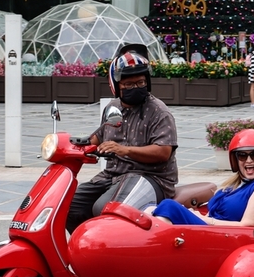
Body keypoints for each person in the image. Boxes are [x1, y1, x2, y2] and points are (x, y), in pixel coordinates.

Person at [65, 44, 179, 233]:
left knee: (105, 209)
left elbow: (163, 152)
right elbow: (99, 136)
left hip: (151, 179)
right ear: (116, 85)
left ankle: (112, 253)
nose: (135, 87)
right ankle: (86, 249)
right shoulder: (113, 107)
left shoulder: (159, 111)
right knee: (69, 204)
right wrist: (72, 145)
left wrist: (124, 150)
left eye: (140, 83)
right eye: (128, 84)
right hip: (113, 176)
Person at [149, 129, 254, 226]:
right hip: (211, 229)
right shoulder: (235, 184)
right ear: (236, 160)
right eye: (242, 156)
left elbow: (247, 225)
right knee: (150, 209)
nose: (248, 160)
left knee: (169, 206)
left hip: (224, 237)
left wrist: (206, 220)